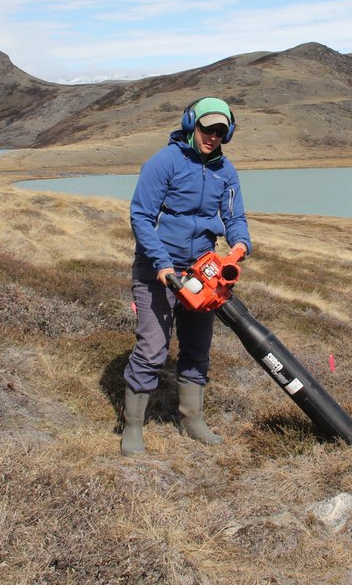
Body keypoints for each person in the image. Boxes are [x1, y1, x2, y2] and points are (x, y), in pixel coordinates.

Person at [121, 96, 252, 456]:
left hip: (202, 272)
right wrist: (162, 264)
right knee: (152, 348)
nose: (212, 136)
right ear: (191, 123)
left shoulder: (226, 171)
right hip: (157, 268)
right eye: (207, 128)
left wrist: (239, 247)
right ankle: (132, 425)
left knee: (197, 346)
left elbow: (235, 218)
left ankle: (191, 418)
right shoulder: (164, 163)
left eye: (220, 132)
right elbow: (141, 217)